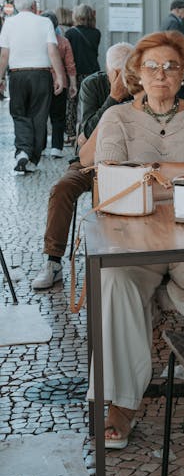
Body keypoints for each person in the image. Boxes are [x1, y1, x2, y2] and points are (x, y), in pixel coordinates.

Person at [84, 30, 184, 447]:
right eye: (151, 66)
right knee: (114, 282)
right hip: (133, 234)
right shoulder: (117, 118)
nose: (161, 74)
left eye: (171, 67)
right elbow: (109, 175)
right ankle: (122, 402)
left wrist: (147, 168)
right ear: (137, 74)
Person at [32, 43, 133, 290]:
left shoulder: (143, 86)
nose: (125, 79)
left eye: (129, 71)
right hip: (90, 160)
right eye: (118, 73)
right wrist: (114, 98)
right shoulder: (94, 85)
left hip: (130, 162)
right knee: (62, 188)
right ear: (109, 71)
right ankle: (53, 261)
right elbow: (87, 131)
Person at [0, 0, 65, 174]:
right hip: (41, 75)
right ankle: (32, 157)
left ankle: (22, 151)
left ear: (16, 6)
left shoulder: (9, 23)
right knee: (39, 116)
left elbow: (4, 54)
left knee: (19, 114)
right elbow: (53, 51)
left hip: (17, 75)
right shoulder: (45, 22)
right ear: (34, 5)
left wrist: (0, 78)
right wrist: (60, 76)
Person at [41, 11, 77, 157]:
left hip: (41, 81)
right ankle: (56, 147)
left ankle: (41, 146)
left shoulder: (36, 41)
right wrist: (73, 84)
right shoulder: (63, 41)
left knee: (40, 115)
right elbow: (70, 65)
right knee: (58, 116)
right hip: (60, 81)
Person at [65, 3, 101, 140]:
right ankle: (88, 131)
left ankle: (71, 133)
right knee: (90, 104)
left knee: (72, 103)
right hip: (92, 72)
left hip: (76, 73)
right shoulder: (96, 33)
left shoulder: (70, 33)